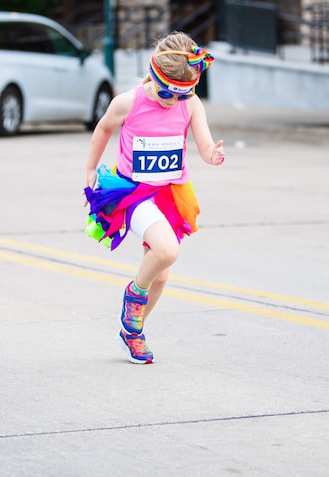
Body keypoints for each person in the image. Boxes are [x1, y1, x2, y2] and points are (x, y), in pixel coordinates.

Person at [84, 32, 225, 364]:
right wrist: (90, 170)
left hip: (171, 194)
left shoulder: (189, 104)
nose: (171, 101)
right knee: (167, 250)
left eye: (182, 94)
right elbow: (103, 129)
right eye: (165, 92)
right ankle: (133, 296)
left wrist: (213, 155)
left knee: (160, 272)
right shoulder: (128, 102)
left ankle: (132, 333)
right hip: (133, 192)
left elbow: (204, 145)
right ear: (154, 75)